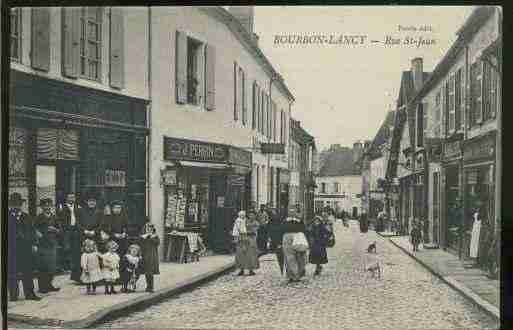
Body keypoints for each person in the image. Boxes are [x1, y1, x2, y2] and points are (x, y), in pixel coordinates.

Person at [8, 193, 41, 301]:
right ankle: (13, 295)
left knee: (28, 271)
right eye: (14, 204)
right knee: (12, 272)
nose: (16, 206)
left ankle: (30, 294)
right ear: (10, 204)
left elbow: (32, 231)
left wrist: (34, 244)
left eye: (18, 204)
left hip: (26, 248)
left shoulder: (26, 217)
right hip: (11, 249)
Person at [35, 198, 61, 294]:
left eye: (49, 205)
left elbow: (60, 230)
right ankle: (42, 287)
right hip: (42, 245)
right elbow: (34, 229)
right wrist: (38, 234)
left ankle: (49, 285)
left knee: (52, 266)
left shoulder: (55, 218)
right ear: (42, 207)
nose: (47, 208)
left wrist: (55, 229)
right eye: (45, 206)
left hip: (52, 244)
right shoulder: (39, 217)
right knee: (43, 266)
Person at [56, 193, 81, 282]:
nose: (72, 199)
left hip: (75, 230)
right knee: (66, 248)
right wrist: (61, 230)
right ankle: (64, 267)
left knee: (76, 250)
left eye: (73, 197)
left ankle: (74, 272)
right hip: (66, 231)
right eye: (70, 197)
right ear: (66, 198)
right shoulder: (61, 207)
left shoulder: (78, 206)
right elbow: (58, 219)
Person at [281, 208, 308, 283]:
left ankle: (297, 274)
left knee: (299, 257)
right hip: (287, 239)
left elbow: (304, 230)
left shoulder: (299, 221)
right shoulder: (285, 221)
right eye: (290, 211)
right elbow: (281, 230)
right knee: (289, 257)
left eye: (293, 211)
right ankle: (291, 275)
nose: (292, 213)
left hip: (297, 238)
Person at [232, 210, 260, 276]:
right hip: (242, 239)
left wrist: (245, 232)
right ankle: (241, 269)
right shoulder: (244, 220)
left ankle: (250, 269)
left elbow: (253, 231)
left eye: (253, 215)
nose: (251, 216)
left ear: (255, 216)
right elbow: (238, 227)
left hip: (251, 240)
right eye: (250, 215)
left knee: (250, 255)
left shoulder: (256, 223)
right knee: (240, 254)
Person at [140, 221, 160, 292]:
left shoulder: (155, 236)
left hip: (152, 255)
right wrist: (144, 237)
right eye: (148, 228)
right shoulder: (143, 236)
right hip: (145, 255)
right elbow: (140, 243)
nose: (149, 230)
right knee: (146, 271)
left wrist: (151, 237)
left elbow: (157, 243)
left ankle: (151, 287)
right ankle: (148, 286)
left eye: (151, 228)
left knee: (150, 272)